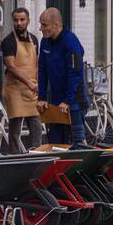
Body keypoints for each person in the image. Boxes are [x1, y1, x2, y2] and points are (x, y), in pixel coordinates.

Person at [37, 8, 88, 145]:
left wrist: (68, 100)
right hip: (55, 101)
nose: (41, 28)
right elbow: (42, 70)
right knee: (56, 143)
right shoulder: (45, 42)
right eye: (41, 24)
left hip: (74, 101)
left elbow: (75, 73)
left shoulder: (71, 42)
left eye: (44, 25)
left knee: (76, 143)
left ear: (56, 24)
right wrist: (41, 97)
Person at [0, 8, 42, 153]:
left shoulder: (34, 40)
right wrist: (29, 82)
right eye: (16, 20)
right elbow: (11, 66)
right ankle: (15, 156)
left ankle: (37, 154)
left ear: (28, 20)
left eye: (22, 20)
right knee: (15, 128)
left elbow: (36, 63)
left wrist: (37, 82)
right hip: (15, 90)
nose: (19, 23)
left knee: (36, 125)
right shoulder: (8, 41)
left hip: (32, 89)